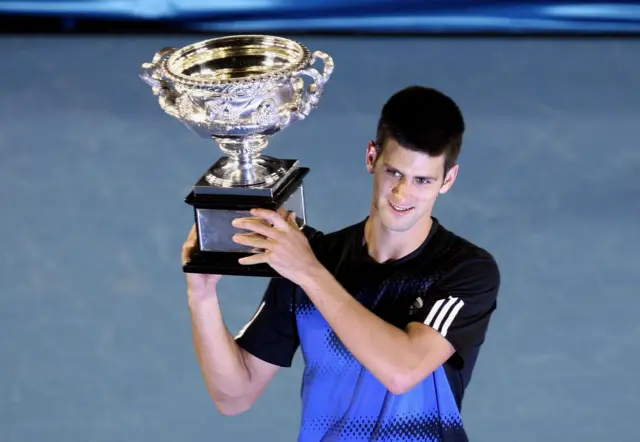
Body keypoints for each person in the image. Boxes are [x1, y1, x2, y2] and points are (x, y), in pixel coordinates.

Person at [182, 85, 501, 442]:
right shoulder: (310, 256)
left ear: (448, 180)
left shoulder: (465, 269)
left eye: (422, 180)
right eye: (394, 172)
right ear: (371, 158)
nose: (402, 194)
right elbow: (234, 396)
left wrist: (307, 271)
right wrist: (202, 295)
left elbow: (402, 370)